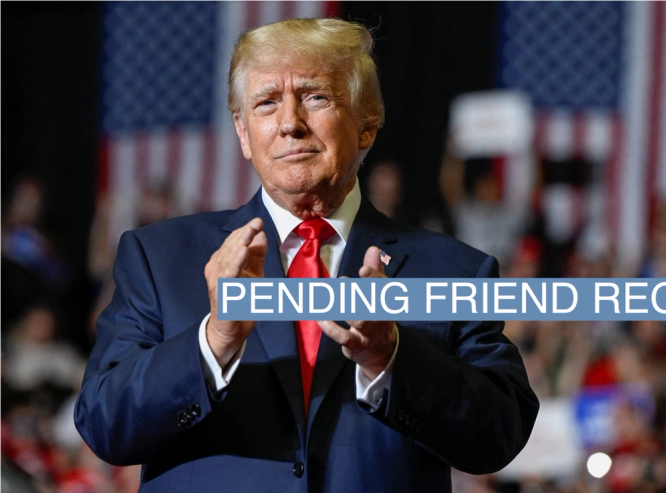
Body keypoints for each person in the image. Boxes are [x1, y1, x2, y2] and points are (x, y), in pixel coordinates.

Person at [74, 18, 539, 493]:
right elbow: (104, 426)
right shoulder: (160, 258)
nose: (289, 123)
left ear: (367, 125)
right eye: (266, 103)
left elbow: (499, 435)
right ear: (241, 132)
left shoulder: (455, 271)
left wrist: (391, 356)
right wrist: (214, 341)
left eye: (316, 97)